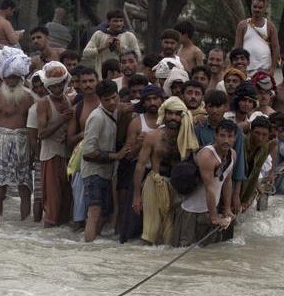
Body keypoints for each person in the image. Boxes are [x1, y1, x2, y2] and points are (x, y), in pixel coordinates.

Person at [132, 97, 198, 245]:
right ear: (164, 114)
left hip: (177, 187)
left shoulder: (189, 138)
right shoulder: (153, 136)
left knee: (171, 234)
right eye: (170, 113)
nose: (173, 118)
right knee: (151, 230)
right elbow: (140, 165)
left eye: (177, 114)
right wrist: (136, 197)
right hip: (155, 183)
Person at [171, 119, 236, 247]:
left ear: (235, 138)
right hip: (190, 211)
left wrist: (227, 209)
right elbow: (209, 188)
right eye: (222, 136)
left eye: (230, 136)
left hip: (210, 209)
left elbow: (227, 182)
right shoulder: (207, 155)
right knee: (184, 249)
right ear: (215, 136)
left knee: (206, 252)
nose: (226, 140)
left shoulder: (232, 155)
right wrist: (214, 218)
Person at [81, 79, 131, 242]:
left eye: (114, 98)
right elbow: (88, 152)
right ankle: (88, 247)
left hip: (105, 173)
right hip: (93, 173)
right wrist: (115, 156)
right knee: (95, 211)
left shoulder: (112, 113)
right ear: (100, 100)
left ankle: (93, 243)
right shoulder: (97, 117)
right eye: (107, 99)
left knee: (106, 212)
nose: (112, 102)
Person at [0, 47, 33, 221]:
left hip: (23, 139)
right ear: (3, 78)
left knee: (24, 186)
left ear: (20, 78)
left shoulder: (29, 98)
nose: (12, 80)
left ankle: (24, 223)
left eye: (15, 77)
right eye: (9, 77)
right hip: (2, 139)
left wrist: (32, 150)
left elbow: (32, 126)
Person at [119, 85, 164, 243]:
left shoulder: (169, 120)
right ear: (143, 103)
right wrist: (138, 144)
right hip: (140, 172)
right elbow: (128, 155)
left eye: (155, 98)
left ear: (161, 100)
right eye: (148, 99)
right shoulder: (137, 123)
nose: (152, 102)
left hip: (162, 175)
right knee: (135, 214)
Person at [195, 89, 247, 213]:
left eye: (218, 106)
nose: (214, 110)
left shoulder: (235, 131)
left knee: (226, 214)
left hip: (226, 184)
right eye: (210, 106)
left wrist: (236, 194)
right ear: (205, 107)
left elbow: (239, 162)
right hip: (203, 183)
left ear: (226, 107)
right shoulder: (198, 129)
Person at [36, 61, 73, 228]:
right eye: (53, 87)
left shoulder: (69, 99)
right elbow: (41, 134)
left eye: (60, 85)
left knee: (66, 202)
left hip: (67, 155)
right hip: (50, 155)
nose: (57, 90)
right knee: (52, 202)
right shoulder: (44, 103)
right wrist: (62, 120)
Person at [66, 66, 100, 228]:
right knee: (79, 210)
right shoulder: (77, 109)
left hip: (104, 159)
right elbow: (70, 139)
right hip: (82, 161)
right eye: (84, 81)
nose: (87, 85)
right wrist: (84, 134)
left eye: (91, 81)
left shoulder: (108, 103)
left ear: (97, 81)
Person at [82, 9, 140, 77]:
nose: (119, 24)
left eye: (121, 21)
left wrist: (121, 49)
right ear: (109, 22)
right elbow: (85, 53)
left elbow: (138, 57)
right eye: (115, 21)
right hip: (102, 76)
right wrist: (102, 47)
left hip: (123, 76)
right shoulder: (99, 35)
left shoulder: (129, 36)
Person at [235, 0, 280, 76]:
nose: (257, 10)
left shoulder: (270, 26)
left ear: (265, 8)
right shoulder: (242, 25)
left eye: (260, 8)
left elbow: (276, 48)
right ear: (251, 7)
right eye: (255, 7)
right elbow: (237, 47)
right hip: (246, 70)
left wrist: (272, 69)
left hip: (264, 71)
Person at [239, 115, 275, 211]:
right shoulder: (240, 144)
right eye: (257, 133)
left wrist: (245, 199)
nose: (260, 138)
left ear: (268, 135)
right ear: (250, 132)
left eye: (264, 135)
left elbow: (255, 174)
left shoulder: (264, 148)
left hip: (243, 189)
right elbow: (235, 175)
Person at [27, 71, 48, 222]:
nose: (40, 90)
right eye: (36, 88)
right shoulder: (34, 109)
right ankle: (36, 227)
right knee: (39, 197)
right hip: (41, 156)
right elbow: (33, 138)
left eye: (42, 86)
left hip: (58, 154)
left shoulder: (64, 103)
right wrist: (38, 159)